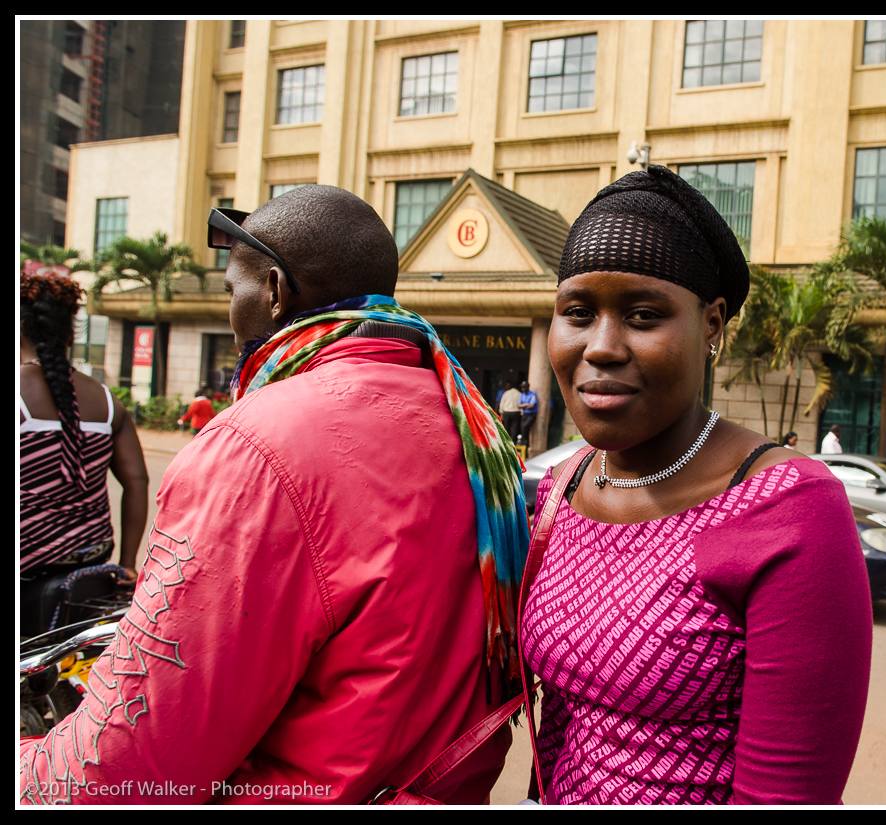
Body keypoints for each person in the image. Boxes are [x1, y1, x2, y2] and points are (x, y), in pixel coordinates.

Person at [20, 185, 528, 804]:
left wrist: (29, 765)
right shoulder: (473, 428)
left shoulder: (256, 444)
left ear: (274, 291)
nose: (231, 316)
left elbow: (126, 771)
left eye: (232, 291)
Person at [521, 165, 872, 805]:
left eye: (643, 315)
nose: (600, 346)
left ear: (711, 325)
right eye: (578, 313)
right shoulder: (563, 487)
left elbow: (784, 798)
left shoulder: (789, 507)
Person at [20, 272, 149, 623]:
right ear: (70, 332)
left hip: (28, 565)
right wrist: (127, 563)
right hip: (91, 562)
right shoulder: (107, 401)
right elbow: (137, 482)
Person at [518, 380, 540, 445]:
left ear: (528, 387)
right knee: (523, 428)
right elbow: (518, 406)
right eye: (522, 387)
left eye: (524, 387)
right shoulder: (522, 395)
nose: (523, 388)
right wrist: (526, 404)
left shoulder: (532, 394)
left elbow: (531, 406)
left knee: (525, 426)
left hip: (531, 414)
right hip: (525, 414)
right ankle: (525, 444)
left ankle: (524, 442)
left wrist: (523, 405)